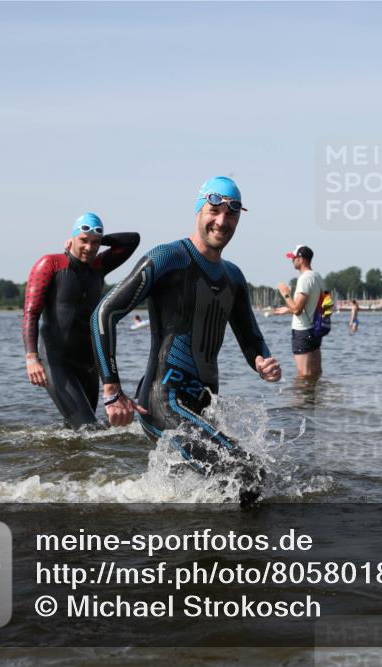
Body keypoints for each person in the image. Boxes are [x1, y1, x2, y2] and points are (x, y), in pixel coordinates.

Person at [90, 176, 281, 506]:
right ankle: (245, 555)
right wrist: (111, 391)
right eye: (214, 210)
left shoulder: (233, 277)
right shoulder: (169, 257)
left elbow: (251, 338)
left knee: (228, 485)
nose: (222, 221)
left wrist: (261, 361)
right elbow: (103, 314)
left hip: (204, 405)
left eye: (231, 214)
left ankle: (194, 548)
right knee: (247, 473)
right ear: (199, 210)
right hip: (164, 400)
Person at [23, 213, 140, 429]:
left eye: (95, 242)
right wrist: (32, 358)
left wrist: (98, 238)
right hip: (57, 362)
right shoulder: (50, 264)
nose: (89, 247)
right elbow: (31, 313)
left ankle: (61, 461)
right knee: (89, 428)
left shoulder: (99, 265)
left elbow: (132, 240)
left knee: (78, 431)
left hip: (88, 365)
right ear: (72, 238)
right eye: (83, 240)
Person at [275, 245, 326, 379]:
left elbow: (298, 310)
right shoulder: (318, 277)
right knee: (316, 372)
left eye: (294, 258)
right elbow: (316, 305)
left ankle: (302, 400)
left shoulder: (304, 279)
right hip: (316, 329)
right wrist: (289, 309)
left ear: (301, 259)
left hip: (303, 332)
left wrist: (285, 294)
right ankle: (315, 399)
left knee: (304, 375)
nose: (292, 261)